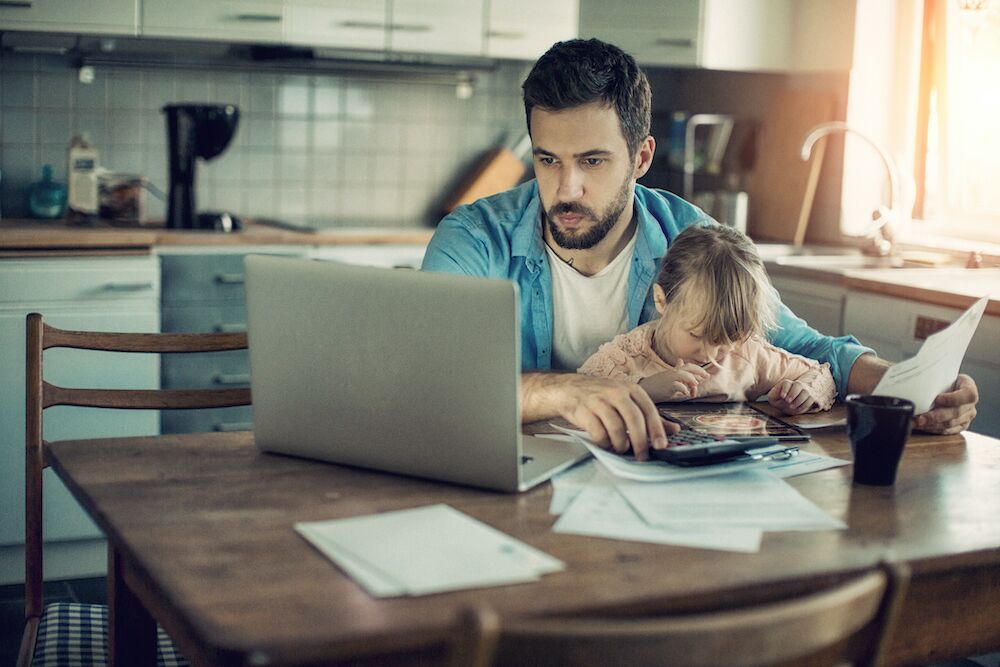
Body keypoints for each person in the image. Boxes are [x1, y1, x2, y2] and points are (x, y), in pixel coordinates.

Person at [421, 38, 979, 459]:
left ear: (641, 159)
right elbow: (433, 378)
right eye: (548, 160)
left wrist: (910, 389)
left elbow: (804, 344)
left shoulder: (691, 237)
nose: (566, 189)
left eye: (592, 161)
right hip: (515, 476)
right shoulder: (473, 239)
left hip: (655, 484)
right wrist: (567, 393)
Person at [578, 224, 836, 415]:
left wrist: (802, 393)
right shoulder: (626, 358)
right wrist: (644, 389)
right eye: (697, 334)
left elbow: (819, 373)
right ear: (661, 300)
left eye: (727, 339)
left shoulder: (749, 355)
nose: (712, 354)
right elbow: (578, 395)